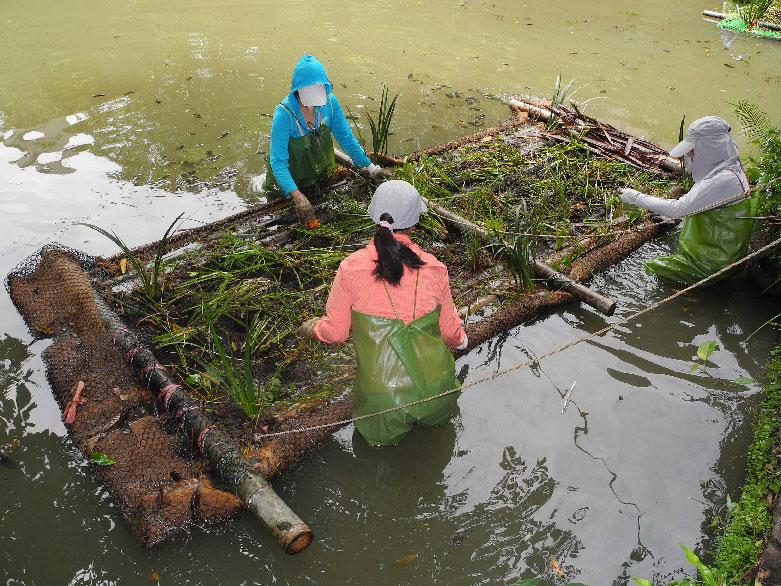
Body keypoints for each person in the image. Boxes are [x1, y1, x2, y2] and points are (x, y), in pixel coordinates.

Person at [295, 180, 468, 446]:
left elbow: (335, 333)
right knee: (438, 445)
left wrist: (312, 328)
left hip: (383, 403)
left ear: (375, 217)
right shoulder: (435, 269)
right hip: (438, 394)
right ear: (415, 222)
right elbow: (451, 335)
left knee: (377, 454)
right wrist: (463, 339)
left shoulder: (351, 268)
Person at [618, 116, 757, 285]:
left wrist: (636, 197)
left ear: (710, 149)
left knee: (651, 268)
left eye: (693, 151)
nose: (690, 155)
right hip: (729, 255)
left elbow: (677, 208)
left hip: (714, 265)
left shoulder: (720, 181)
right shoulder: (732, 169)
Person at [263, 55, 383, 228]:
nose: (317, 94)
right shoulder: (284, 115)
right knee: (283, 221)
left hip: (318, 172)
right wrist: (297, 196)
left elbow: (345, 138)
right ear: (297, 90)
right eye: (310, 89)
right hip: (288, 179)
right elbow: (278, 162)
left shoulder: (330, 103)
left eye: (320, 87)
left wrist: (370, 166)